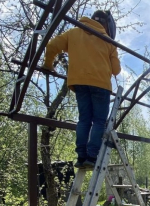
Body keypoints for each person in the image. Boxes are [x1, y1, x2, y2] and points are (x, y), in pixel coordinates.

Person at [42, 10, 121, 169]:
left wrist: (48, 65)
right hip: (101, 85)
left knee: (84, 119)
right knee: (99, 121)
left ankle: (81, 156)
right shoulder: (108, 41)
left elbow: (51, 45)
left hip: (79, 83)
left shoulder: (74, 32)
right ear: (106, 24)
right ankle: (92, 157)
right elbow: (116, 70)